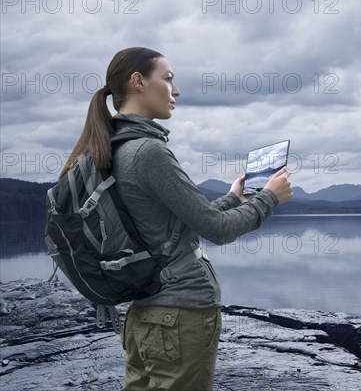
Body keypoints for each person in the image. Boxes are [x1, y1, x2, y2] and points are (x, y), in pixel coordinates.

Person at [59, 46, 293, 390]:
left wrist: (233, 198)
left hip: (144, 316)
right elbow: (218, 230)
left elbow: (184, 223)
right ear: (138, 82)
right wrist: (270, 198)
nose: (176, 90)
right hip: (181, 312)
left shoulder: (113, 148)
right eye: (168, 79)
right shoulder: (148, 151)